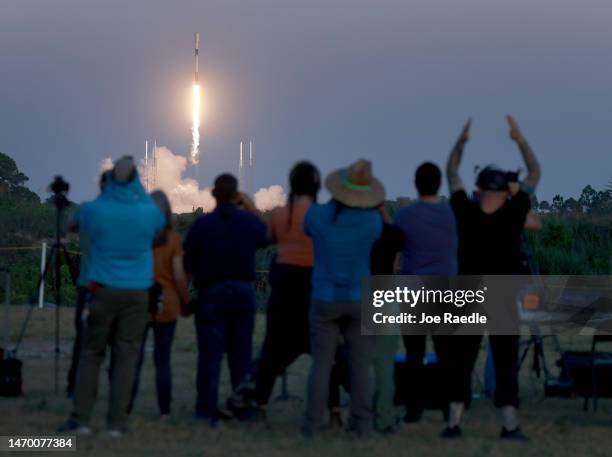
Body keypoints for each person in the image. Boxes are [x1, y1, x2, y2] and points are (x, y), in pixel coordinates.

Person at [444, 116, 541, 440]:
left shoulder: (465, 211)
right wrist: (519, 138)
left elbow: (452, 171)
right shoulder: (514, 213)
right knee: (505, 360)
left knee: (462, 359)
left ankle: (454, 423)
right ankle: (510, 424)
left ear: (478, 188)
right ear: (505, 191)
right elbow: (535, 172)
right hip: (502, 294)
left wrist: (462, 139)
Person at [59, 156, 165, 436]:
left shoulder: (95, 210)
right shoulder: (148, 212)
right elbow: (157, 226)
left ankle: (80, 419)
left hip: (102, 290)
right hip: (137, 293)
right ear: (135, 181)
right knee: (126, 356)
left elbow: (71, 225)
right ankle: (116, 424)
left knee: (91, 354)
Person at [303, 159, 384, 437]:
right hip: (360, 298)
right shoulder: (372, 221)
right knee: (361, 366)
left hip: (324, 298)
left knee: (322, 364)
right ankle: (362, 423)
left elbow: (309, 228)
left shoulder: (316, 215)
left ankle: (312, 424)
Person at [183, 174, 268, 428]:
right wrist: (250, 207)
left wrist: (184, 297)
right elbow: (266, 235)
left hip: (211, 293)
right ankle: (241, 407)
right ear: (235, 195)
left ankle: (206, 409)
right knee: (241, 354)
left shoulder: (202, 226)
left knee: (210, 355)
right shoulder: (248, 223)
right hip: (242, 293)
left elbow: (188, 264)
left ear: (213, 194)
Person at [393, 162, 458, 424]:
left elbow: (397, 248)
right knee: (446, 353)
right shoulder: (451, 215)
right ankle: (447, 406)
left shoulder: (405, 216)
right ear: (439, 184)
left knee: (414, 353)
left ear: (415, 184)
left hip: (413, 291)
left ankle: (414, 407)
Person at [128, 190, 190, 419]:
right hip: (167, 304)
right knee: (162, 361)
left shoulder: (136, 236)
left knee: (134, 358)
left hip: (138, 301)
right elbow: (178, 275)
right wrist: (185, 302)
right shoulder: (173, 239)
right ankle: (165, 411)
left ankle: (126, 407)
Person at [66, 171, 110, 398]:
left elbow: (69, 226)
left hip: (87, 285)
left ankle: (75, 386)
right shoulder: (126, 214)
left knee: (83, 340)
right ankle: (117, 389)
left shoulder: (86, 209)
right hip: (115, 286)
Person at [369, 204, 404, 433]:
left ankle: (358, 414)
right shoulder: (390, 232)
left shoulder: (353, 229)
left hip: (352, 290)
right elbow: (397, 233)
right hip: (382, 289)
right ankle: (383, 417)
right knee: (385, 363)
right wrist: (382, 210)